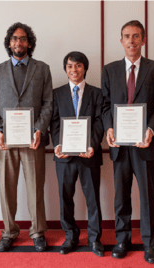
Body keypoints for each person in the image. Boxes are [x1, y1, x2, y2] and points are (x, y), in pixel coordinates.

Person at [102, 20, 154, 264]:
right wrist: (109, 126)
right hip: (119, 146)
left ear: (143, 40)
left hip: (145, 144)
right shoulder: (109, 70)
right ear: (121, 41)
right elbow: (105, 106)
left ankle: (149, 243)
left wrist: (151, 129)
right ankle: (123, 240)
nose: (131, 40)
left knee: (146, 196)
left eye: (136, 36)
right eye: (127, 36)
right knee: (121, 196)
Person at [0, 22, 52, 252]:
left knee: (35, 187)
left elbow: (47, 104)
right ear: (9, 43)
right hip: (6, 141)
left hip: (33, 140)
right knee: (7, 188)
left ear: (30, 43)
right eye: (14, 39)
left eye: (22, 38)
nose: (18, 42)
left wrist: (39, 129)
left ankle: (37, 231)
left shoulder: (42, 69)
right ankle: (9, 231)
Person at [50, 52, 104, 255]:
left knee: (93, 198)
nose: (74, 70)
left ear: (85, 68)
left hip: (89, 154)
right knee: (65, 198)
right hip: (64, 157)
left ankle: (94, 239)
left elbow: (99, 121)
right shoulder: (57, 93)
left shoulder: (97, 93)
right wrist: (57, 144)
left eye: (78, 66)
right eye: (70, 66)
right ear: (66, 69)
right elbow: (54, 122)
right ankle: (70, 237)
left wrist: (92, 145)